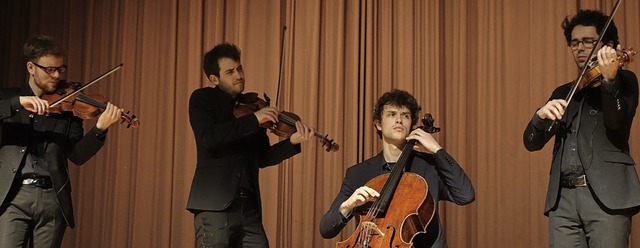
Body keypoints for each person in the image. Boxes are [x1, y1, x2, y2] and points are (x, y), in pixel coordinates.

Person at [523, 9, 640, 248]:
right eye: (574, 43)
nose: (579, 48)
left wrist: (609, 81)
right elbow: (532, 143)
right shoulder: (563, 92)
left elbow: (617, 123)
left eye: (588, 41)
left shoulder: (625, 82)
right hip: (562, 201)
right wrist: (539, 117)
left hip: (608, 197)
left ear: (607, 45)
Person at [187, 42, 313, 248]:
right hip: (215, 206)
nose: (239, 75)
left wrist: (291, 143)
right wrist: (254, 119)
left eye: (239, 68)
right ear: (214, 79)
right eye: (230, 71)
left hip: (249, 209)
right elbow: (208, 137)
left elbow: (262, 158)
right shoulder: (203, 98)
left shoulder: (252, 109)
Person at [0, 35, 123, 247]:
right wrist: (17, 102)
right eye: (49, 69)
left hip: (52, 198)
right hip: (13, 196)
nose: (56, 75)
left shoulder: (68, 108)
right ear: (31, 67)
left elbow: (77, 155)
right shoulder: (9, 98)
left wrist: (100, 128)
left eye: (61, 68)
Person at [319, 89, 475, 247]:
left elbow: (465, 195)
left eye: (405, 115)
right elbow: (326, 229)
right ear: (378, 124)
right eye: (391, 114)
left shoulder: (430, 167)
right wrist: (347, 206)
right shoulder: (358, 174)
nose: (399, 120)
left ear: (411, 125)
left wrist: (437, 150)